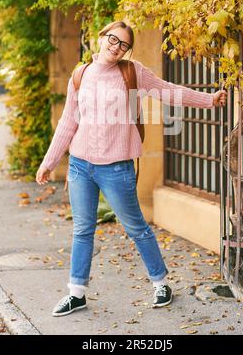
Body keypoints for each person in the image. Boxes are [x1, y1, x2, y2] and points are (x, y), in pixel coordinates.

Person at [36, 20, 227, 317]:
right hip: (80, 166)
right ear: (102, 37)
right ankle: (76, 293)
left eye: (124, 44)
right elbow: (68, 122)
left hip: (116, 168)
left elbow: (167, 90)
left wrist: (209, 100)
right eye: (113, 40)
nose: (117, 47)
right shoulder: (80, 75)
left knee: (137, 228)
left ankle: (161, 283)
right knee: (83, 229)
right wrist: (49, 162)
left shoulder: (131, 72)